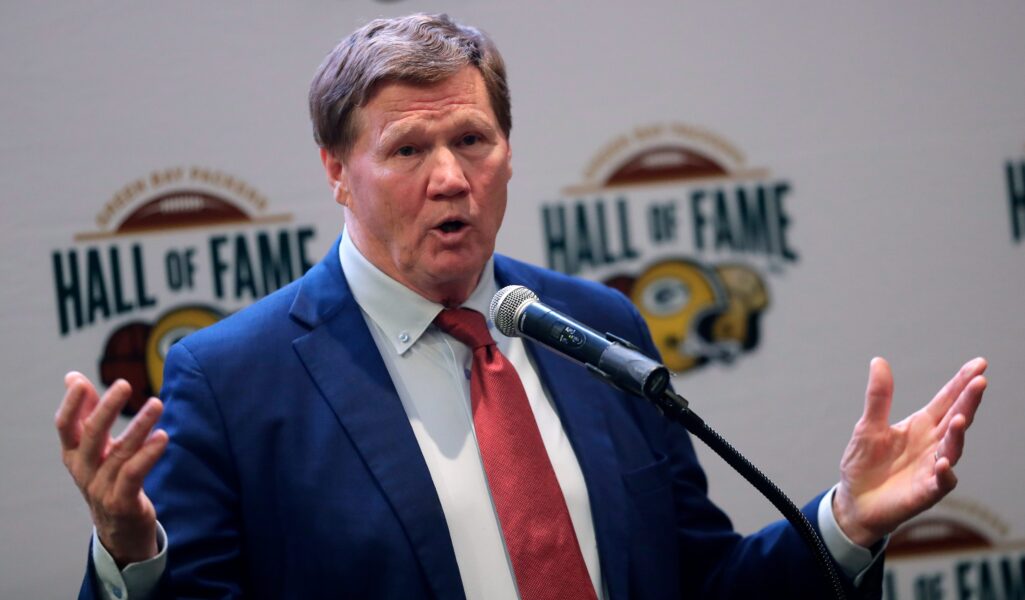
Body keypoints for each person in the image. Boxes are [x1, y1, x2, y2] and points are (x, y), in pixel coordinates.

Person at [56, 13, 988, 600]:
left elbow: (697, 582)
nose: (451, 178)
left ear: (508, 149)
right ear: (337, 171)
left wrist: (845, 524)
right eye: (410, 149)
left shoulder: (597, 328)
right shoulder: (233, 377)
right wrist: (133, 556)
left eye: (473, 137)